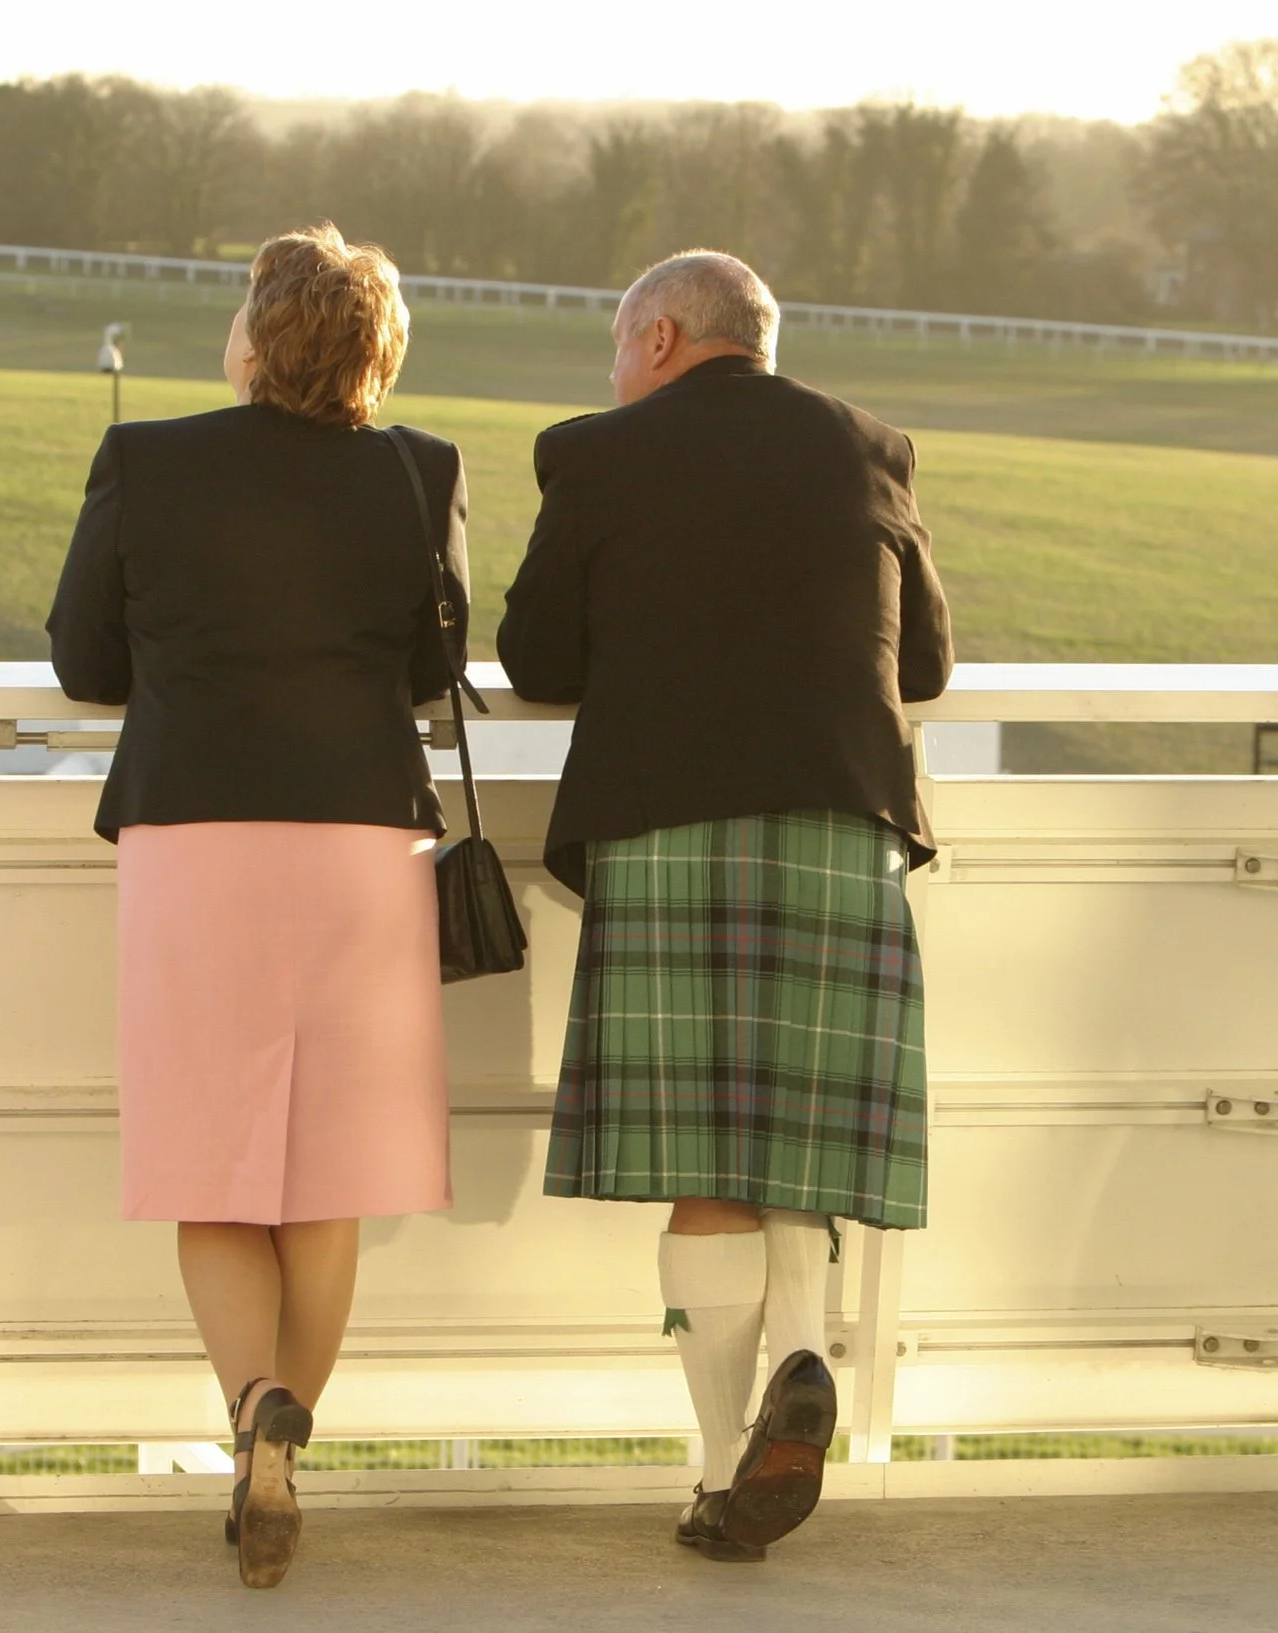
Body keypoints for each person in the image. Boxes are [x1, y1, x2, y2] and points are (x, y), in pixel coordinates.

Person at [498, 250, 951, 1563]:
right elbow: (923, 661)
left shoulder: (600, 454)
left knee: (703, 1165)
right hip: (840, 823)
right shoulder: (869, 448)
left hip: (670, 823)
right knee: (792, 1148)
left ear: (657, 336)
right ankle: (801, 1351)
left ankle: (715, 1468)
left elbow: (535, 662)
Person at [45, 224, 467, 1590]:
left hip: (198, 836)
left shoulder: (148, 461)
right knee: (326, 1178)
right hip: (358, 843)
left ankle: (248, 1423)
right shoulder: (420, 471)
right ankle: (287, 1439)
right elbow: (428, 663)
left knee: (213, 1163)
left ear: (255, 336)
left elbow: (82, 658)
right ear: (375, 353)